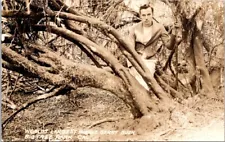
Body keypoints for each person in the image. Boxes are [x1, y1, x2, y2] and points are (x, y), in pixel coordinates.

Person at [128, 3, 177, 89]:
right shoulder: (134, 28)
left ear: (152, 15)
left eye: (148, 14)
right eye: (143, 15)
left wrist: (174, 33)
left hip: (150, 60)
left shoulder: (159, 28)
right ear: (140, 15)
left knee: (145, 83)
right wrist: (131, 64)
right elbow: (130, 49)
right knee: (134, 83)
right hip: (136, 60)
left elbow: (169, 46)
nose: (146, 18)